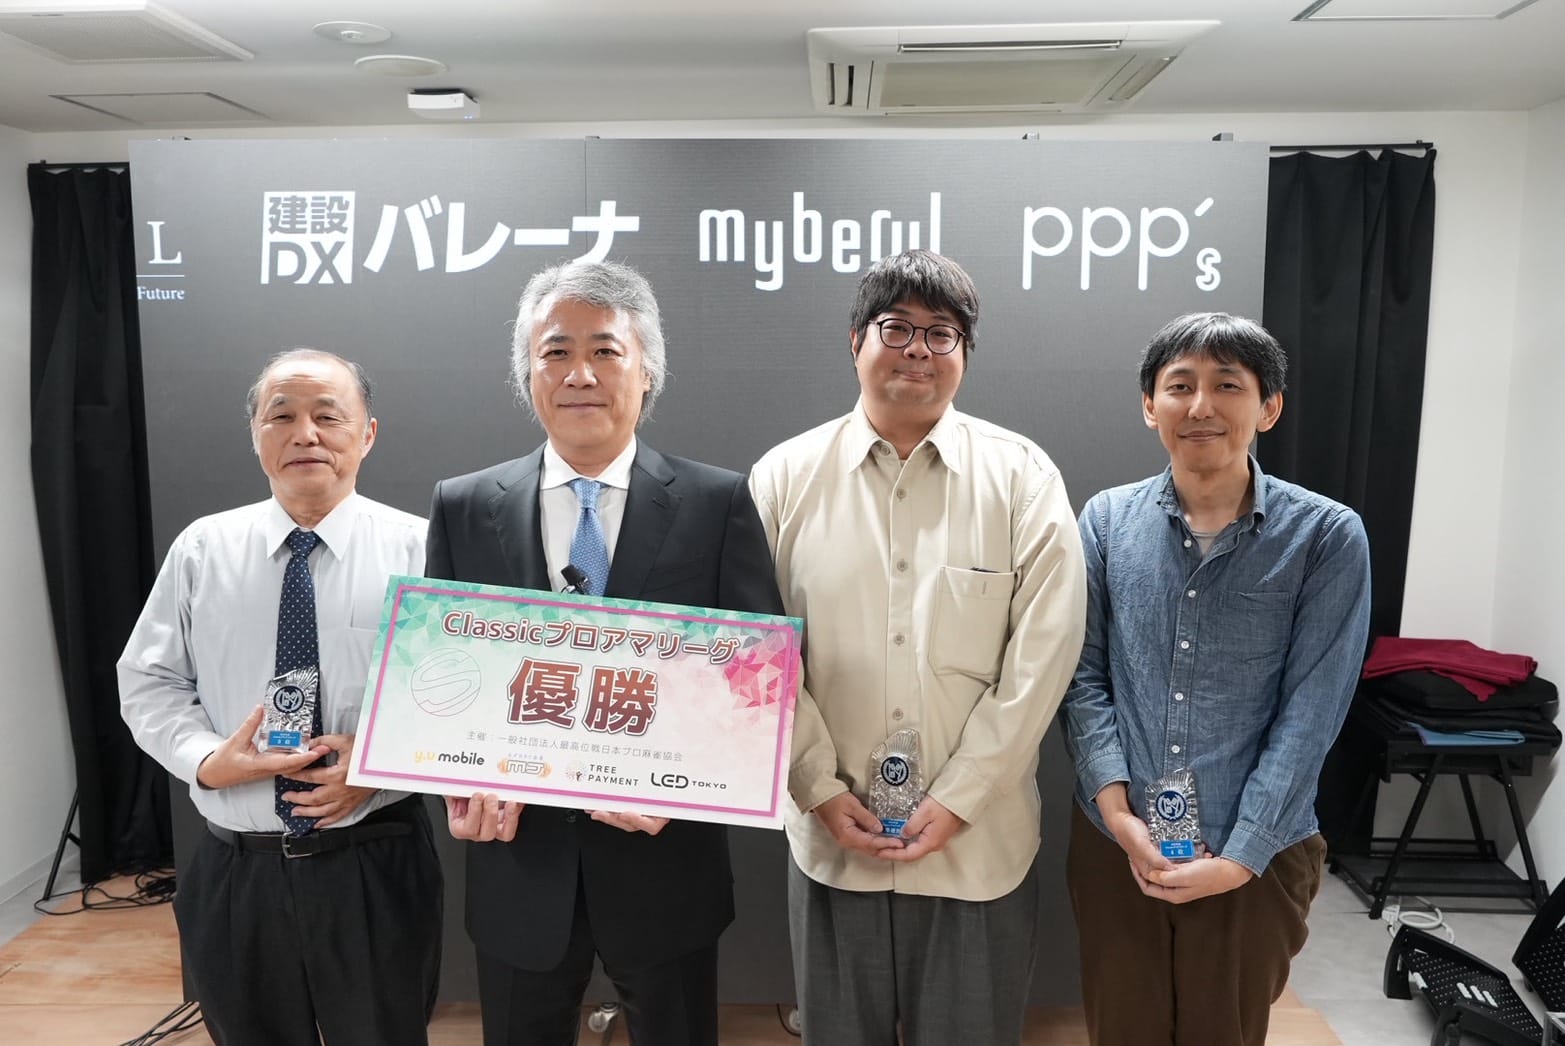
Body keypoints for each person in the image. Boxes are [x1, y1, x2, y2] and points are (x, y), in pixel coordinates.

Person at [426, 260, 783, 1046]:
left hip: (665, 863)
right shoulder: (464, 506)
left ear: (645, 370)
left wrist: (684, 793)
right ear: (527, 373)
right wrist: (453, 779)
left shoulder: (715, 502)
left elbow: (758, 681)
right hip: (517, 864)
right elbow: (442, 677)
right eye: (555, 352)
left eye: (605, 351)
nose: (579, 373)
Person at [748, 249, 1087, 1045]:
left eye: (942, 334)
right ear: (855, 341)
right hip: (833, 839)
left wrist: (962, 794)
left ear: (964, 352)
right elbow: (757, 654)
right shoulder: (783, 478)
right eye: (895, 328)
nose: (917, 351)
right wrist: (815, 786)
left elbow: (1043, 656)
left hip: (979, 848)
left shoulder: (1022, 478)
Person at [1061, 312, 1372, 1046]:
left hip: (1257, 850)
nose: (1200, 405)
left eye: (1227, 385)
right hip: (1117, 845)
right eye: (1179, 386)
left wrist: (1241, 856)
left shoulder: (1325, 535)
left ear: (1268, 407)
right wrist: (1119, 818)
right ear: (1150, 406)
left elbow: (1312, 710)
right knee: (1121, 1033)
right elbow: (1081, 677)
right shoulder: (1106, 521)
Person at [117, 349, 443, 1046]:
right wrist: (207, 760)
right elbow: (148, 680)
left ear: (367, 434)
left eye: (328, 416)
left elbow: (454, 697)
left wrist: (379, 761)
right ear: (255, 433)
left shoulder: (419, 551)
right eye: (282, 416)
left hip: (374, 863)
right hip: (238, 869)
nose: (306, 434)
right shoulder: (203, 550)